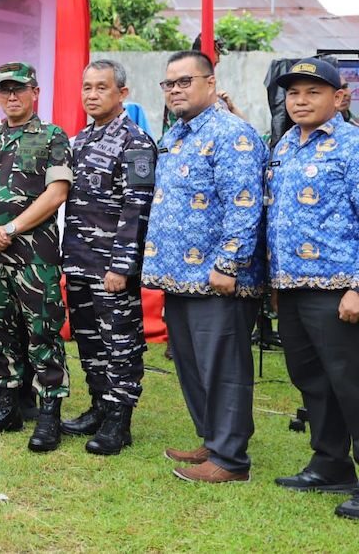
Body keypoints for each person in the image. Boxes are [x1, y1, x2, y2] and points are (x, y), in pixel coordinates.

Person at [142, 50, 266, 483]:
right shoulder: (176, 135)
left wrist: (228, 264)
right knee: (192, 366)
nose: (175, 89)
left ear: (210, 84)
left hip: (218, 278)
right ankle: (213, 441)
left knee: (225, 369)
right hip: (177, 275)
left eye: (184, 81)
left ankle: (231, 461)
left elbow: (244, 206)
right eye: (169, 83)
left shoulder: (232, 134)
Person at [266, 57, 359, 519]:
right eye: (293, 93)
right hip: (292, 286)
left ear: (339, 98)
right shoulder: (286, 143)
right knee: (312, 380)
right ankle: (330, 464)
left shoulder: (353, 146)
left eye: (312, 92)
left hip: (339, 289)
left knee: (352, 383)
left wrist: (358, 288)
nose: (300, 101)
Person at [0, 61, 72, 453]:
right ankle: (5, 406)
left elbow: (56, 193)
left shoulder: (52, 137)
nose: (12, 96)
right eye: (5, 90)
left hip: (33, 257)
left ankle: (48, 414)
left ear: (35, 93)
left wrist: (10, 229)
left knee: (42, 333)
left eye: (19, 89)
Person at [60, 60, 158, 455]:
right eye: (87, 87)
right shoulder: (80, 140)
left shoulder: (135, 142)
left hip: (111, 267)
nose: (92, 94)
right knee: (88, 340)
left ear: (122, 93)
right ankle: (99, 406)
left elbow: (137, 210)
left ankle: (120, 419)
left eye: (101, 87)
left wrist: (121, 266)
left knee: (120, 341)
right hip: (79, 261)